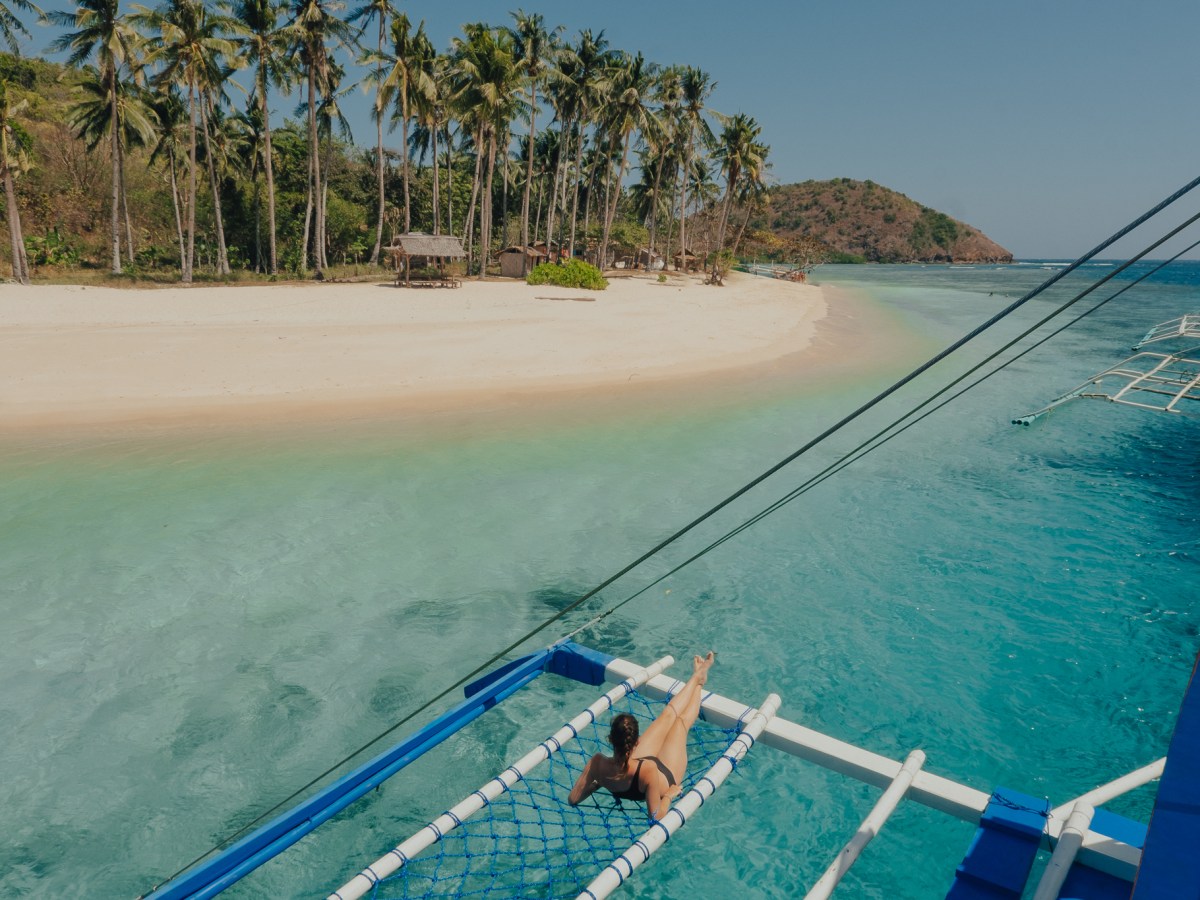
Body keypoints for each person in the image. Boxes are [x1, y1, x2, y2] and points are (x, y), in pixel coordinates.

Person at [568, 652, 715, 820]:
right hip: (665, 776)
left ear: (610, 739)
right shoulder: (648, 769)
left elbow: (573, 798)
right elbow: (655, 816)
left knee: (668, 716)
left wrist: (600, 782)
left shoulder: (597, 763)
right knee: (680, 723)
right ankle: (698, 683)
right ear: (636, 742)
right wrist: (668, 796)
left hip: (637, 767)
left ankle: (697, 677)